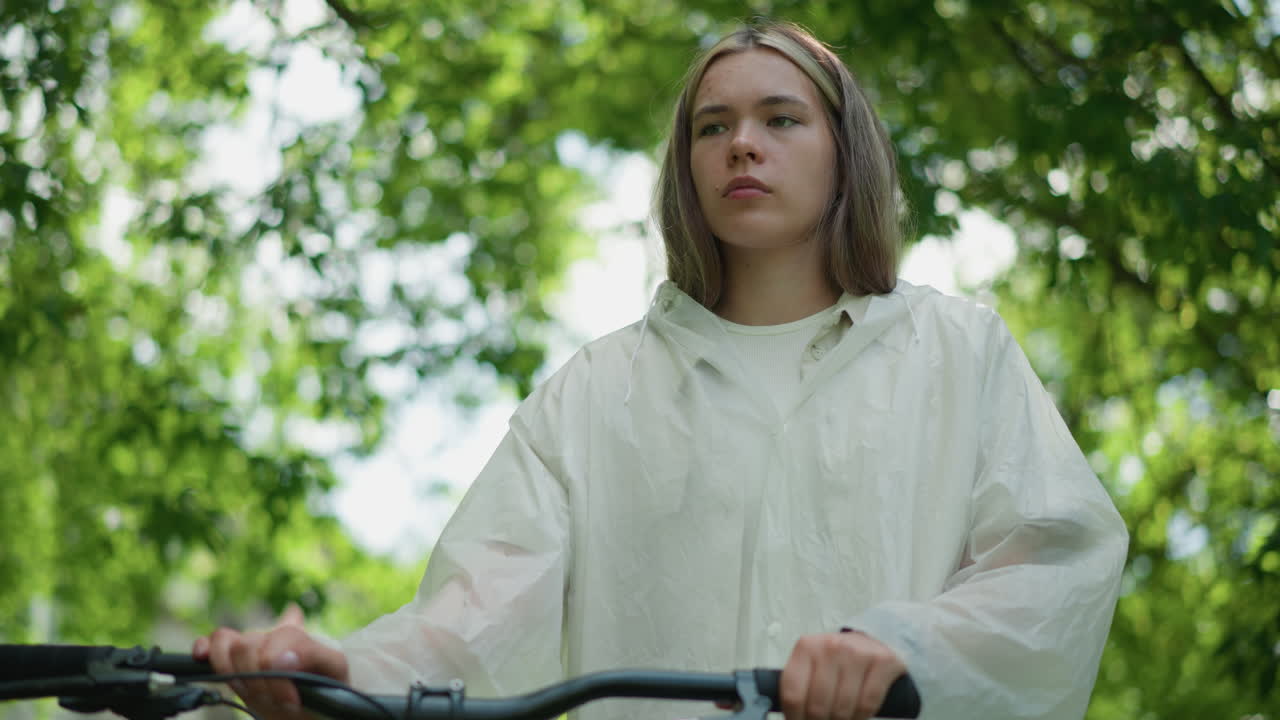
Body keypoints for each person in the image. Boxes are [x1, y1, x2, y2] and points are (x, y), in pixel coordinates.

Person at [195, 20, 1129, 720]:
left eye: (781, 118)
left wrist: (902, 650)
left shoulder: (958, 354)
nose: (742, 145)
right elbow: (476, 608)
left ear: (848, 155)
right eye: (711, 126)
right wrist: (342, 676)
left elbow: (1054, 567)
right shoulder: (599, 394)